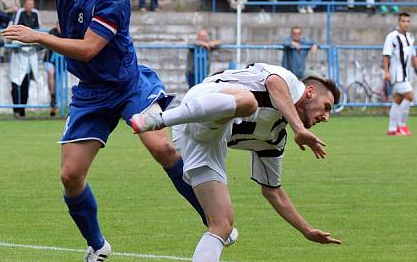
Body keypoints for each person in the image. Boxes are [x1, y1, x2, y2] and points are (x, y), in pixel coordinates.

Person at [2, 0, 231, 259]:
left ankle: (216, 223)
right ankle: (97, 245)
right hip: (91, 93)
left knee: (163, 149)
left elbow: (88, 50)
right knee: (70, 175)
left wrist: (37, 37)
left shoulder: (115, 0)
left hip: (128, 85)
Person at [131, 64, 343, 261]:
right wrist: (299, 129)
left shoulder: (275, 138)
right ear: (310, 91)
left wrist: (306, 230)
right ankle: (158, 120)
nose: (326, 117)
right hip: (204, 99)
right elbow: (274, 84)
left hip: (202, 141)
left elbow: (273, 191)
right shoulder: (289, 81)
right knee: (249, 102)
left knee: (222, 225)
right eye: (326, 107)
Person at [383, 12, 416, 136]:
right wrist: (386, 71)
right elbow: (386, 54)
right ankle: (402, 126)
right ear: (399, 22)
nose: (406, 23)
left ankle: (392, 129)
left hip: (406, 74)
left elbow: (413, 55)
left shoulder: (410, 37)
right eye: (403, 21)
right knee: (410, 95)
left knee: (398, 99)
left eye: (408, 21)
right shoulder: (392, 36)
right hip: (396, 74)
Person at [9, 0, 41, 117]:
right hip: (19, 53)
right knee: (15, 82)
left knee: (26, 82)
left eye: (31, 4)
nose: (29, 6)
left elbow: (38, 30)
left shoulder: (36, 14)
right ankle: (16, 108)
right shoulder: (19, 13)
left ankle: (22, 109)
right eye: (28, 4)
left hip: (31, 53)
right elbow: (14, 28)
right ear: (24, 4)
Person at [43, 22, 61, 116]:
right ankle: (52, 97)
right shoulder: (52, 32)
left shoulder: (67, 32)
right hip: (49, 60)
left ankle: (55, 107)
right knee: (51, 73)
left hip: (62, 62)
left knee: (59, 83)